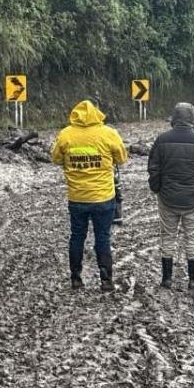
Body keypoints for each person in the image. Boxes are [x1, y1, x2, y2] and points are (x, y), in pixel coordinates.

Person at [51, 100, 129, 291]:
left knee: (77, 236)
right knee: (103, 237)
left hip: (77, 197)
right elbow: (122, 158)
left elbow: (55, 158)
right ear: (97, 114)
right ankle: (106, 280)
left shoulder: (66, 134)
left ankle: (76, 278)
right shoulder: (108, 133)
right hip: (103, 197)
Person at [148, 102, 194, 290]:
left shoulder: (161, 140)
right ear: (193, 118)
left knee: (167, 237)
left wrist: (157, 189)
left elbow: (153, 168)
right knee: (193, 238)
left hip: (167, 198)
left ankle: (167, 279)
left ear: (174, 118)